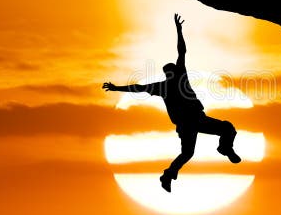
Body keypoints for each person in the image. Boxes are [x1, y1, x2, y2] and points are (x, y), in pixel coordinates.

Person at [102, 14, 240, 192]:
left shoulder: (177, 78)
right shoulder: (164, 86)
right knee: (189, 152)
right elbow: (138, 87)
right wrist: (116, 88)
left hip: (197, 118)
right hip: (187, 123)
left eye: (172, 71)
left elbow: (181, 52)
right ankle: (168, 175)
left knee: (226, 129)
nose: (171, 74)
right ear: (167, 74)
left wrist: (179, 30)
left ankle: (224, 148)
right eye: (169, 73)